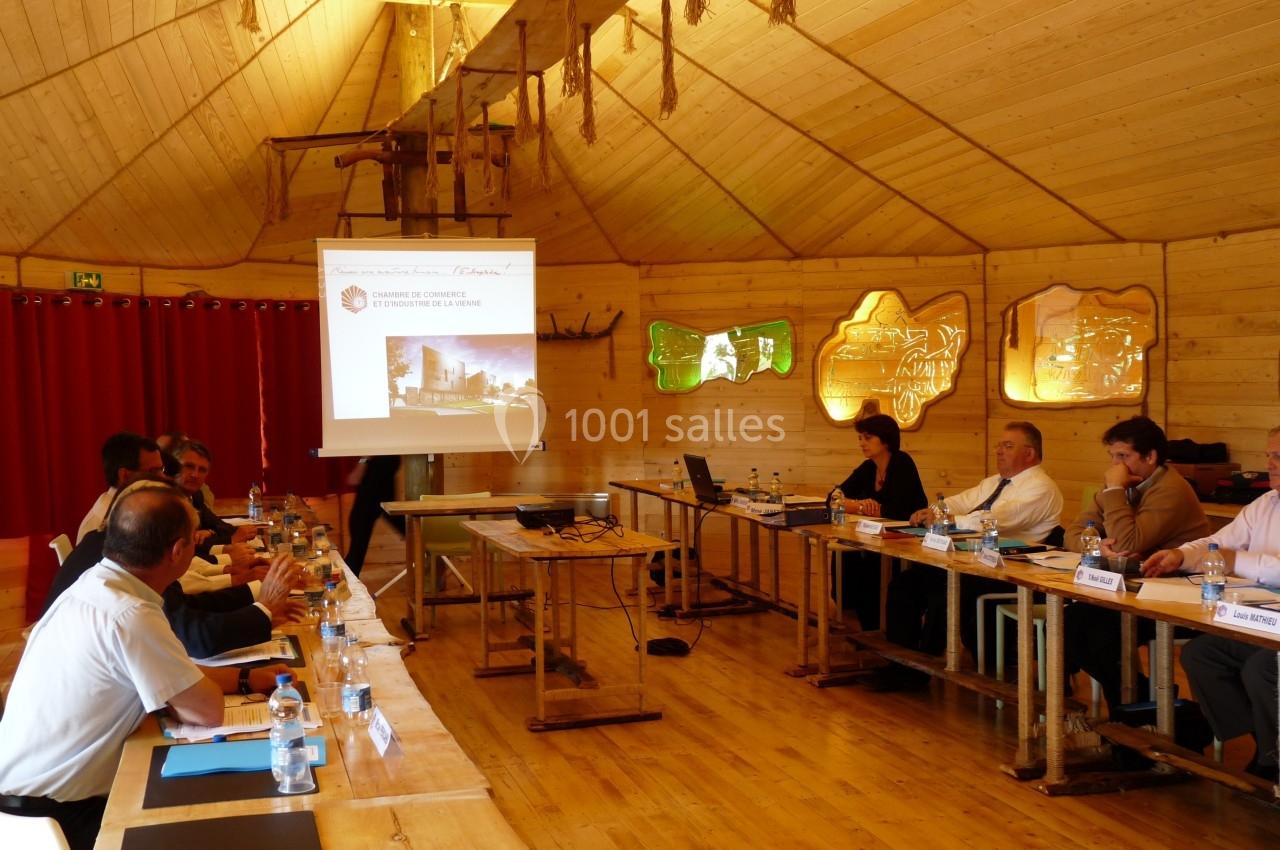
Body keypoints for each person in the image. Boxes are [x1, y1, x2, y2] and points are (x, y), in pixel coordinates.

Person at [0, 487, 287, 850]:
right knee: (238, 822)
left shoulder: (93, 586)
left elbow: (170, 677)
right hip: (55, 821)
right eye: (193, 535)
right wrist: (223, 686)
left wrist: (245, 677)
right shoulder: (131, 613)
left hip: (20, 800)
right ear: (178, 552)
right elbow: (206, 710)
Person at [878, 422, 1063, 688]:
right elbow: (959, 501)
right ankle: (899, 662)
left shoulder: (1041, 487)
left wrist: (950, 518)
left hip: (1008, 572)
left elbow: (997, 518)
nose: (999, 451)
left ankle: (920, 671)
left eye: (1008, 446)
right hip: (972, 563)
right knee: (904, 585)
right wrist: (934, 510)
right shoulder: (994, 482)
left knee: (943, 596)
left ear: (1030, 454)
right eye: (999, 445)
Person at [1142, 425, 1280, 782]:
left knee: (1262, 668)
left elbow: (1239, 558)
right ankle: (1265, 746)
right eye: (1268, 455)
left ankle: (1270, 758)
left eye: (1278, 456)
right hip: (1262, 617)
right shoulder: (1266, 503)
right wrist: (1179, 555)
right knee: (1202, 655)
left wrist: (1238, 561)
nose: (1271, 464)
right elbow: (1218, 543)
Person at [42, 479, 304, 658]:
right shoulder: (133, 591)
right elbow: (194, 638)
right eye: (194, 539)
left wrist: (260, 608)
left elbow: (186, 607)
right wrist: (264, 607)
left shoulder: (123, 559)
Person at [1061, 416, 1209, 709]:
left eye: (1123, 456)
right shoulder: (1120, 483)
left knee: (1100, 637)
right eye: (1112, 457)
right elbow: (1072, 533)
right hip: (1132, 588)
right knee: (1067, 625)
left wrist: (1114, 492)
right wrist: (1097, 547)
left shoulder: (1171, 490)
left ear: (1150, 456)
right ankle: (1141, 705)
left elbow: (1129, 543)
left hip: (1175, 595)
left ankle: (1140, 710)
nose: (1116, 466)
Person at [832, 414, 927, 630]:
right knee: (844, 551)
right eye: (860, 438)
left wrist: (860, 506)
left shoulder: (902, 463)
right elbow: (834, 497)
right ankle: (857, 619)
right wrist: (860, 505)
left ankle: (876, 627)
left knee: (865, 563)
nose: (862, 443)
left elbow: (901, 511)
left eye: (867, 438)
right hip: (874, 537)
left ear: (885, 440)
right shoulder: (868, 468)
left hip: (905, 541)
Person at [75, 432, 165, 543]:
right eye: (153, 471)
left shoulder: (135, 509)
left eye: (162, 469)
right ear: (125, 476)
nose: (162, 477)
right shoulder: (106, 525)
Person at [173, 440, 256, 552]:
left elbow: (220, 525)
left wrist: (210, 532)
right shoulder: (167, 501)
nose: (195, 475)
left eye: (202, 470)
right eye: (189, 466)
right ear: (174, 467)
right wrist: (230, 540)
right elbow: (184, 549)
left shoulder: (196, 495)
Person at [345, 455, 406, 576]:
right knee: (386, 513)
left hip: (379, 461)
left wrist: (363, 462)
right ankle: (432, 549)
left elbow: (374, 438)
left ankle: (347, 579)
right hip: (383, 459)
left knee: (361, 520)